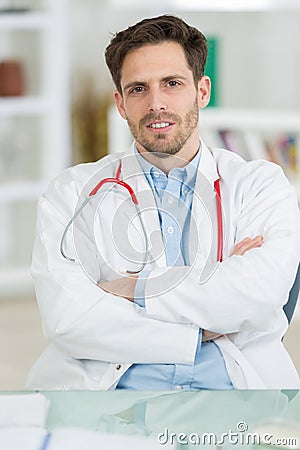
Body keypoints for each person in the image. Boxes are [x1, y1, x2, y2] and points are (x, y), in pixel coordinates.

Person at [27, 15, 300, 390]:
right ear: (121, 104)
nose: (156, 103)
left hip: (235, 388)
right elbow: (68, 319)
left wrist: (133, 289)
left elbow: (261, 294)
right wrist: (198, 331)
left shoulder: (259, 185)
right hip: (112, 401)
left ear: (202, 91)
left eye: (172, 84)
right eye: (139, 89)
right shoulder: (72, 192)